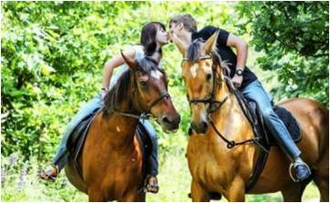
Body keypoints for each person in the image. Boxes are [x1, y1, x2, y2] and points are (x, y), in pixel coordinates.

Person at [169, 14, 311, 182]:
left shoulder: (208, 32)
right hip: (222, 97)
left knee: (266, 113)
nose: (169, 34)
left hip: (246, 85)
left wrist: (239, 74)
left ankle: (297, 160)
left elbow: (241, 44)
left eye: (170, 28)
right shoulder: (189, 53)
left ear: (180, 27)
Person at [39, 22, 170, 193]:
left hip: (134, 107)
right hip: (108, 98)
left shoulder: (158, 57)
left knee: (151, 135)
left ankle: (151, 175)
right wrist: (104, 90)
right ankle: (56, 165)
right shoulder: (135, 51)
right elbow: (109, 64)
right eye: (162, 30)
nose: (167, 33)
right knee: (75, 123)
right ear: (151, 35)